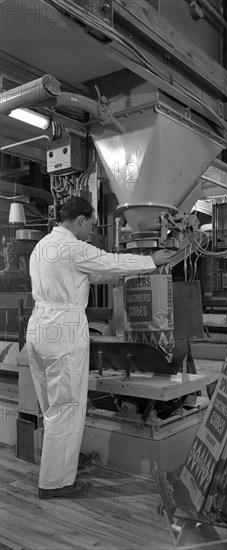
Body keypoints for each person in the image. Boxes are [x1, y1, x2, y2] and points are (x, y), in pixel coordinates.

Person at [26, 196, 175, 499]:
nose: (91, 232)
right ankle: (56, 483)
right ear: (79, 220)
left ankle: (62, 464)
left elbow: (91, 272)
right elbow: (111, 261)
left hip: (39, 327)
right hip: (64, 329)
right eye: (91, 225)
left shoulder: (42, 247)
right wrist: (151, 261)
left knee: (53, 408)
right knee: (66, 410)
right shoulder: (74, 247)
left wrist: (127, 271)